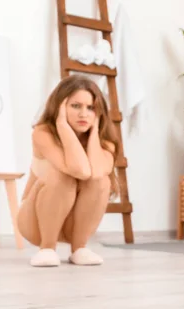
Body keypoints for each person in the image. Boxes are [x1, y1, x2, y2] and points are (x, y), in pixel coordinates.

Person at [17, 75, 120, 267]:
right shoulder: (43, 134)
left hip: (72, 225)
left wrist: (94, 134)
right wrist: (62, 126)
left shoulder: (105, 143)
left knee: (101, 181)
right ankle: (47, 248)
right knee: (61, 176)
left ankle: (79, 248)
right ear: (60, 107)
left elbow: (95, 174)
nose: (84, 114)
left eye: (90, 108)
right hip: (35, 222)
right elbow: (79, 170)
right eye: (75, 106)